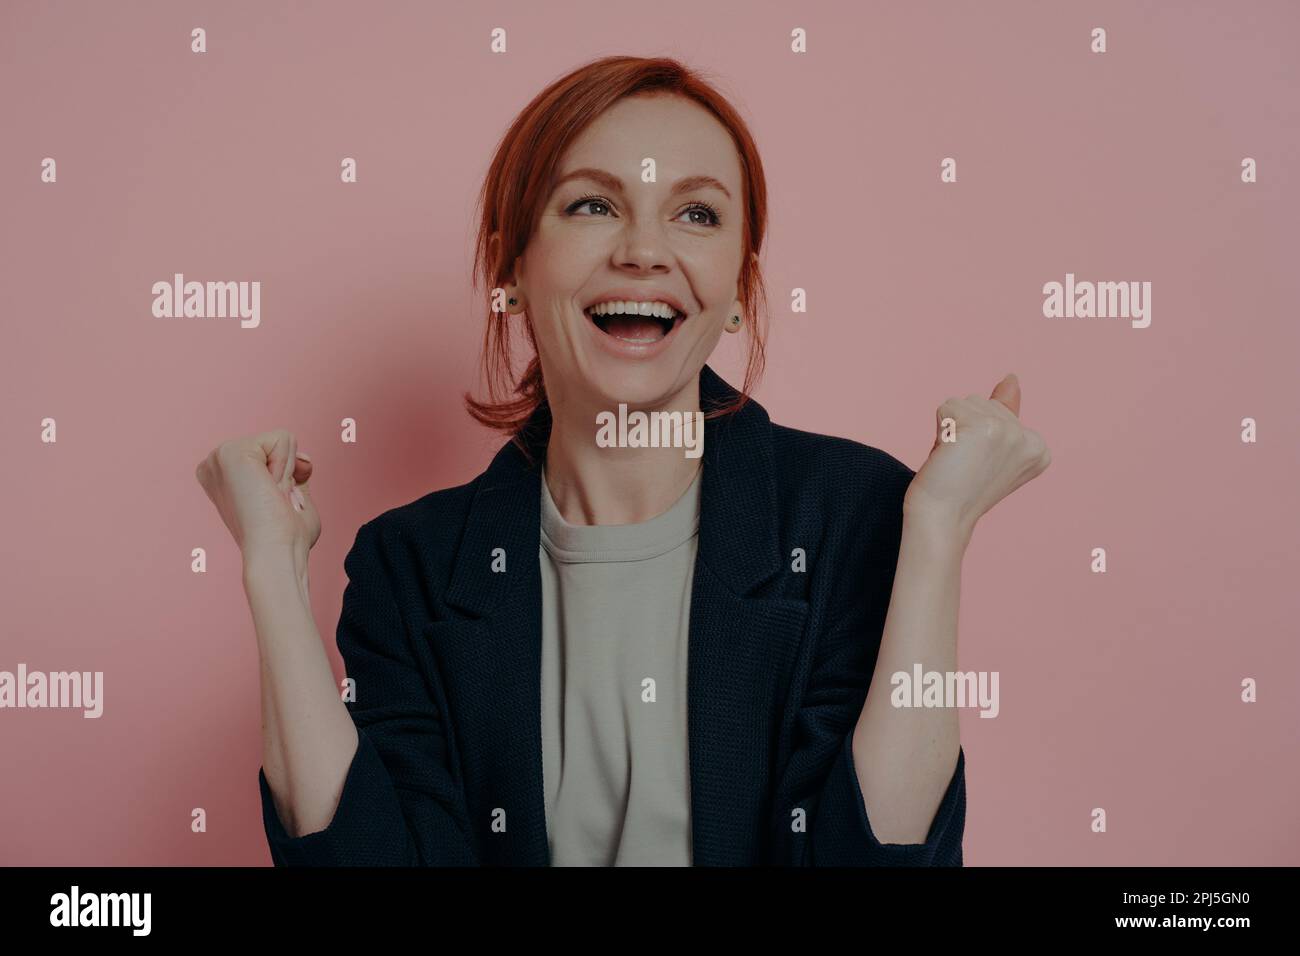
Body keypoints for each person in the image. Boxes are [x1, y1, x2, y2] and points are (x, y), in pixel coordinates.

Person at [195, 55, 1050, 866]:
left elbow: (876, 863)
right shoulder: (407, 565)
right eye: (592, 206)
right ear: (512, 269)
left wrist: (937, 533)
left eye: (697, 213)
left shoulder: (854, 515)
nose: (644, 250)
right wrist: (272, 572)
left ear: (741, 296)